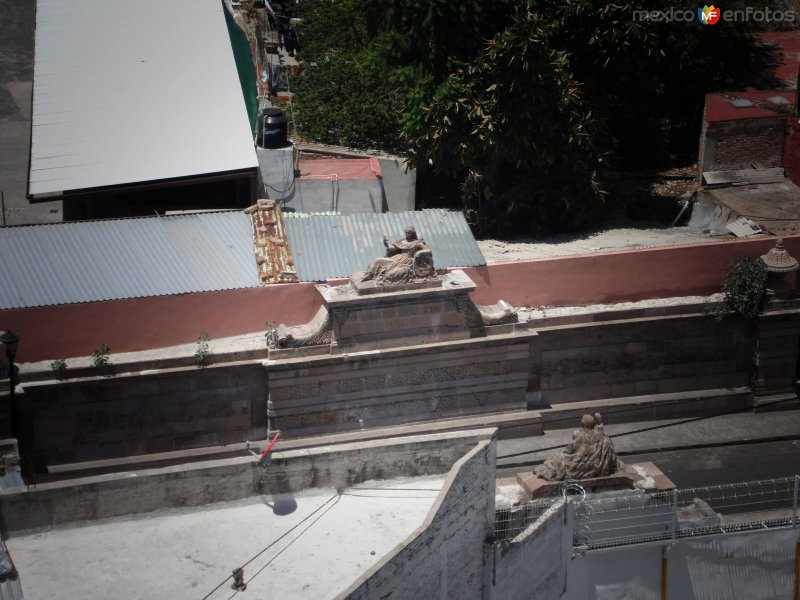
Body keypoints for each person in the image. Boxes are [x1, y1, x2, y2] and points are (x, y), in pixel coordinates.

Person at [534, 414, 620, 481]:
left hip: (578, 462)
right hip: (594, 463)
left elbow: (570, 450)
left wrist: (565, 453)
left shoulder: (578, 434)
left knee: (557, 459)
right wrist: (600, 423)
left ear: (582, 423)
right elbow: (601, 432)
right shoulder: (600, 435)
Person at [361, 226, 435, 285]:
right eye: (406, 233)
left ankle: (384, 278)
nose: (407, 235)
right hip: (397, 258)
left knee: (391, 274)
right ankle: (369, 275)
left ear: (413, 233)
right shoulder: (402, 241)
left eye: (409, 233)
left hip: (407, 263)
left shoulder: (418, 242)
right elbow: (391, 248)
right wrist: (385, 243)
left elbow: (428, 250)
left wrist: (420, 252)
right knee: (377, 260)